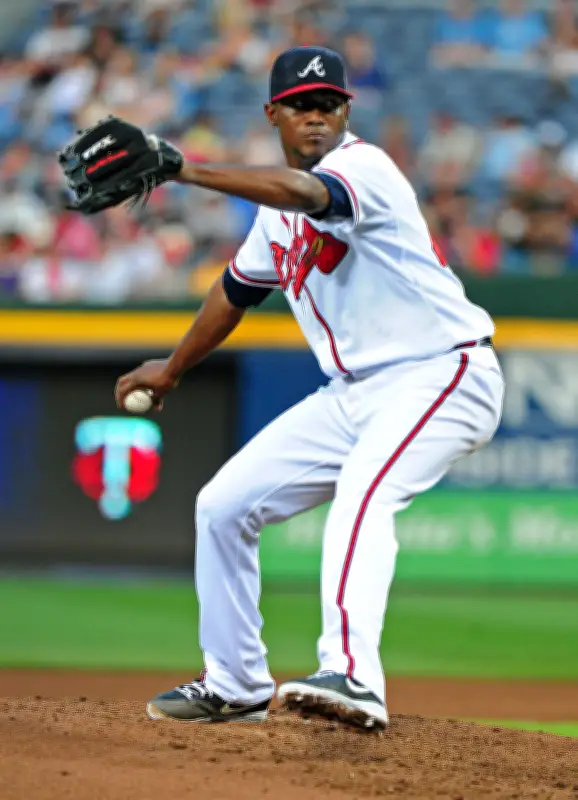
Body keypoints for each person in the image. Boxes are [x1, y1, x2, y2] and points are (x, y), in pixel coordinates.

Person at [115, 46, 505, 730]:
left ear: (347, 110)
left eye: (328, 104)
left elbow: (308, 193)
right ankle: (234, 683)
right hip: (351, 394)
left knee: (363, 492)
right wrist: (171, 369)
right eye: (301, 106)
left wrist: (185, 169)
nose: (316, 117)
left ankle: (354, 676)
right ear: (274, 114)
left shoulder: (364, 166)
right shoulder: (273, 214)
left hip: (441, 371)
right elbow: (234, 293)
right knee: (222, 506)